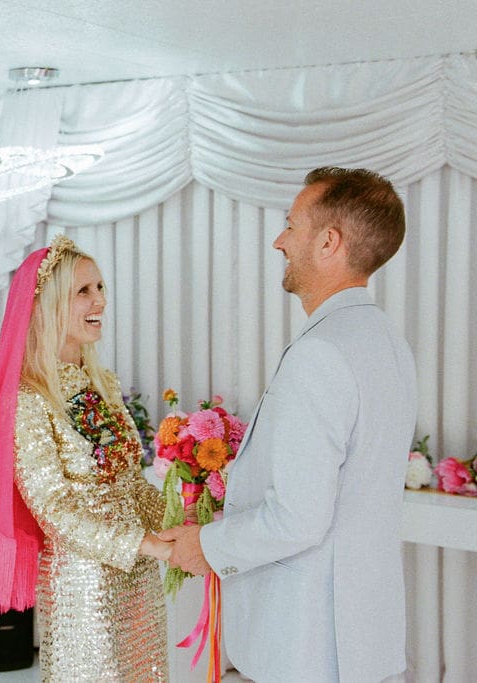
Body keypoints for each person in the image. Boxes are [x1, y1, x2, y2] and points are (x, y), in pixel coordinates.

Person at [161, 167, 418, 682]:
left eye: (291, 225)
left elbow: (298, 518)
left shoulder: (321, 352)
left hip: (312, 641)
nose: (280, 241)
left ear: (328, 242)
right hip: (362, 632)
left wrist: (206, 546)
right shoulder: (387, 340)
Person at [0, 234, 171, 682]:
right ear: (50, 305)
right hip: (84, 585)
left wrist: (183, 521)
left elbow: (129, 484)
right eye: (83, 291)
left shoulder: (103, 383)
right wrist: (140, 543)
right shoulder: (29, 399)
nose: (101, 301)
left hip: (138, 577)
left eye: (100, 288)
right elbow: (52, 509)